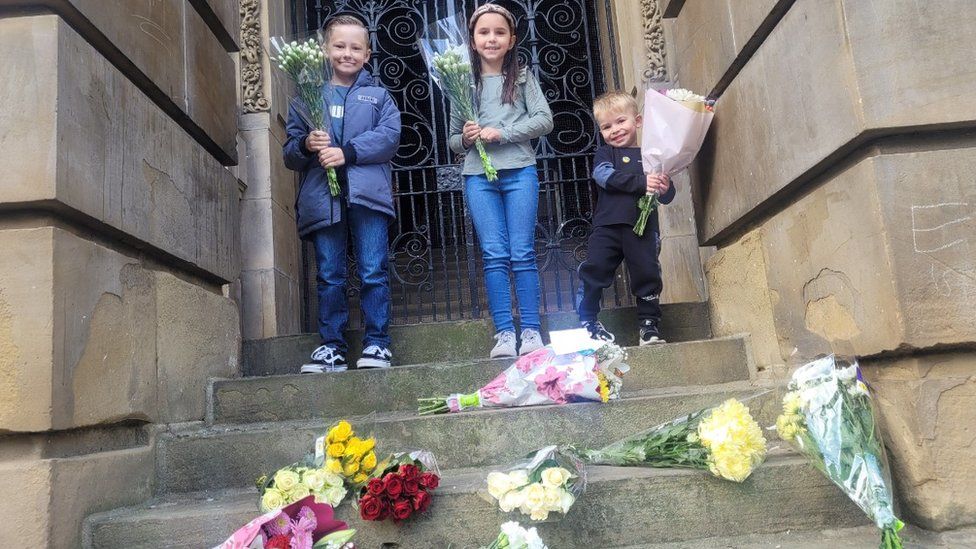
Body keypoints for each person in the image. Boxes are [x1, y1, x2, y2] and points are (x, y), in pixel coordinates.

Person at [282, 15, 401, 372]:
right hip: (324, 198)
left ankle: (377, 343)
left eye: (355, 47)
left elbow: (389, 137)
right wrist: (306, 143)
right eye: (339, 45)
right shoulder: (307, 97)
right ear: (325, 49)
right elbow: (289, 153)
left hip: (368, 196)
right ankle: (331, 346)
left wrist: (346, 152)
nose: (347, 53)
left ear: (367, 54)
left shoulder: (379, 97)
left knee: (372, 270)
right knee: (330, 273)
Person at [449, 4, 554, 359]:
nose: (491, 38)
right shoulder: (461, 82)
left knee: (522, 253)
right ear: (473, 40)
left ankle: (530, 330)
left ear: (511, 40)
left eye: (499, 32)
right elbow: (451, 139)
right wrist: (466, 137)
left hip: (520, 171)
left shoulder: (523, 77)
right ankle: (504, 333)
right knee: (494, 254)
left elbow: (544, 120)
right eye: (484, 33)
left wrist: (503, 133)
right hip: (478, 177)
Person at [577, 91, 674, 345]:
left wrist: (664, 186)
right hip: (607, 227)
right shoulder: (605, 154)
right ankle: (587, 320)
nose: (615, 130)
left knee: (647, 274)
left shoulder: (652, 156)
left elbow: (666, 195)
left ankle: (649, 326)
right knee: (595, 270)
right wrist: (642, 182)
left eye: (621, 121)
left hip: (642, 229)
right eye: (607, 126)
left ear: (638, 121)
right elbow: (605, 177)